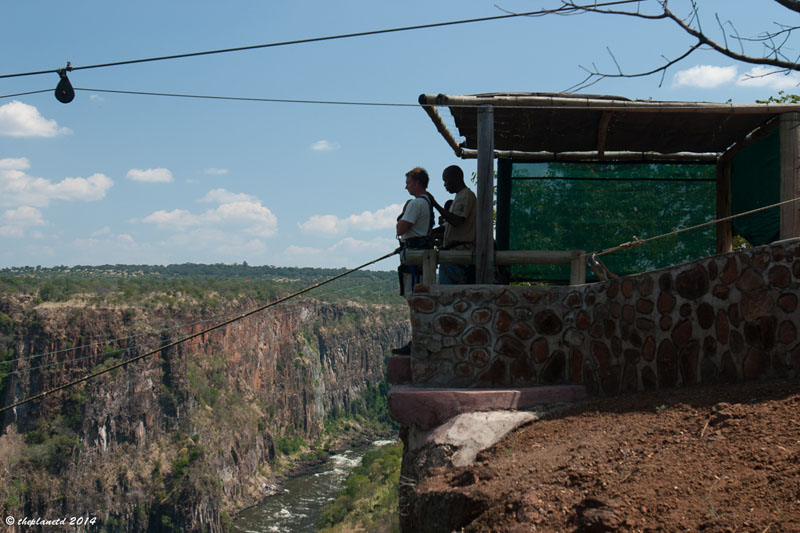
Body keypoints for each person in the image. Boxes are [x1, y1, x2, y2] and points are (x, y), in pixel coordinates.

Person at [392, 167, 433, 355]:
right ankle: (420, 339)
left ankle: (418, 340)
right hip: (420, 255)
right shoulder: (427, 202)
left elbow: (401, 228)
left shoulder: (416, 204)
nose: (406, 186)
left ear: (417, 183)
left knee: (413, 298)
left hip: (414, 257)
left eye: (408, 182)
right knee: (417, 299)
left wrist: (401, 216)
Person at [428, 165, 476, 284]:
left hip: (458, 253)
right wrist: (429, 234)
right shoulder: (458, 197)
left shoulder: (466, 195)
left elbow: (457, 221)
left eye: (446, 180)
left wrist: (435, 204)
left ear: (456, 178)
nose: (444, 185)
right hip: (452, 253)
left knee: (447, 293)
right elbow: (447, 227)